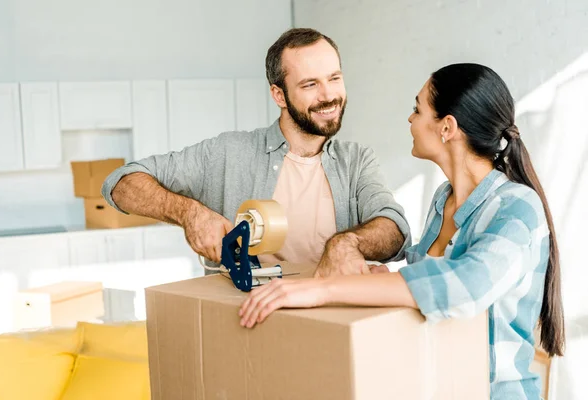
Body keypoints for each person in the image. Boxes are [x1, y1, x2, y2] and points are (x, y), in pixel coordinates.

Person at [239, 63, 565, 399]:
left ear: (447, 127)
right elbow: (426, 286)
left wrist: (322, 290)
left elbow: (464, 286)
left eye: (417, 109)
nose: (410, 119)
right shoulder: (444, 200)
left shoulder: (517, 206)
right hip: (433, 383)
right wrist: (375, 277)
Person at [101, 28, 411, 276]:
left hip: (328, 326)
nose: (329, 95)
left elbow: (396, 230)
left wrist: (346, 243)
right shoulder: (228, 153)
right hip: (245, 323)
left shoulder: (356, 161)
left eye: (334, 78)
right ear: (279, 94)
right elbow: (119, 183)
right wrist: (189, 213)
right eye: (310, 85)